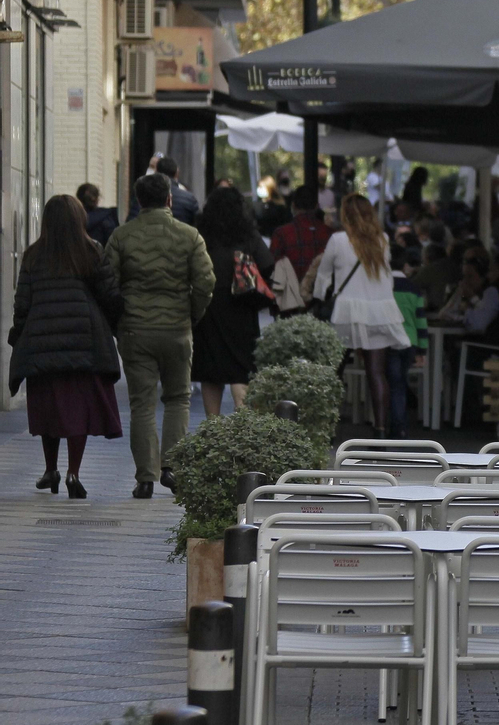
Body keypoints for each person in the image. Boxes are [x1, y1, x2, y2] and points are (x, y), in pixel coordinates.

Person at [105, 172, 214, 498]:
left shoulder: (122, 236)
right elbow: (206, 282)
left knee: (141, 404)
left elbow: (108, 285)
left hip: (136, 331)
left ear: (139, 201)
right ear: (169, 198)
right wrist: (191, 314)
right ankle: (172, 468)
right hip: (177, 330)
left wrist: (119, 323)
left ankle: (145, 478)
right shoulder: (189, 236)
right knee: (178, 399)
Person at [8, 195, 124, 499]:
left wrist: (17, 333)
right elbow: (110, 294)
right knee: (78, 410)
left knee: (47, 408)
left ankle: (51, 470)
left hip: (42, 343)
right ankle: (73, 472)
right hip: (83, 343)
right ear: (79, 219)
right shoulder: (90, 250)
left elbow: (23, 303)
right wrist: (113, 326)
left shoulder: (33, 255)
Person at [313, 194, 410, 436]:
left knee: (334, 372)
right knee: (376, 373)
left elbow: (323, 275)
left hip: (346, 314)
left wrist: (317, 299)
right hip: (379, 312)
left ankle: (327, 428)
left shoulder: (338, 240)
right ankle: (380, 431)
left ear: (346, 215)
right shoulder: (383, 240)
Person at [192, 186, 275, 418]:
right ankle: (242, 425)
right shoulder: (247, 235)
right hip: (241, 307)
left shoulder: (201, 233)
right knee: (241, 370)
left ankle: (213, 425)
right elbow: (268, 263)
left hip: (208, 309)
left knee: (211, 372)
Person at [388, 245, 428, 439]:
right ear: (404, 266)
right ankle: (400, 426)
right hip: (410, 342)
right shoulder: (414, 289)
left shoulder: (383, 288)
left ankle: (394, 426)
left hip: (388, 340)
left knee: (392, 383)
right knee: (400, 383)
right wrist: (423, 350)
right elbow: (421, 321)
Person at [270, 184, 333, 279]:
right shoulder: (330, 234)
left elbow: (273, 269)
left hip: (292, 292)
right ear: (316, 206)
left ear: (293, 206)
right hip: (323, 292)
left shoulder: (281, 234)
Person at [128, 157, 200, 225]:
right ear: (176, 173)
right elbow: (198, 224)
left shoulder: (145, 194)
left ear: (156, 171)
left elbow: (131, 221)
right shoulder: (189, 199)